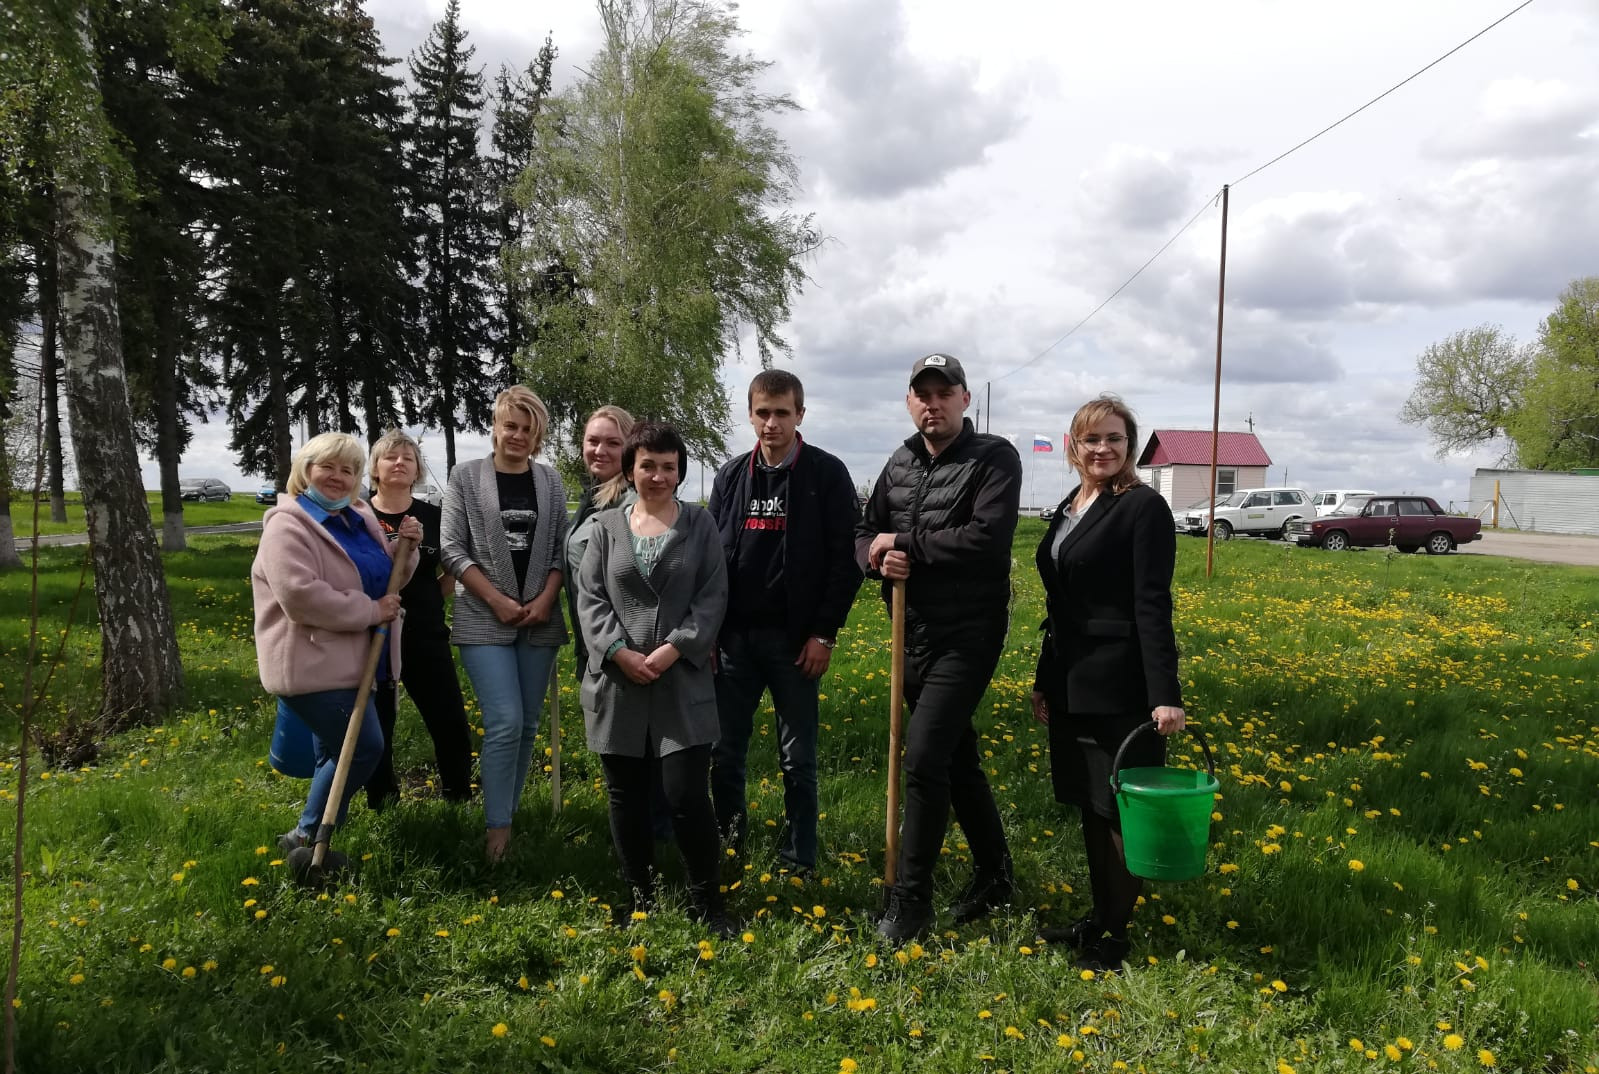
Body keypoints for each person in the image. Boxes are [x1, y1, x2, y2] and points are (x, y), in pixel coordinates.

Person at [857, 352, 1021, 942]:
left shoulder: (994, 458)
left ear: (965, 399)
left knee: (924, 758)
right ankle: (996, 872)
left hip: (968, 634)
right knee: (956, 757)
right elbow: (863, 531)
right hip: (911, 632)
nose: (933, 403)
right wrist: (875, 557)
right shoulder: (899, 462)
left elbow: (986, 538)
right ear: (909, 402)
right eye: (922, 394)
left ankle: (910, 902)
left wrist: (903, 542)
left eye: (944, 392)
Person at [1030, 394, 1186, 972]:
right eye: (1092, 439)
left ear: (1129, 447)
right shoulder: (1071, 505)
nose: (1103, 449)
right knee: (1090, 807)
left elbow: (1152, 603)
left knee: (1119, 812)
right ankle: (1098, 918)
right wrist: (1044, 680)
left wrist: (1164, 693)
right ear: (1074, 446)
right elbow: (1060, 603)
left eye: (1114, 439)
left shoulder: (1143, 508)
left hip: (1122, 687)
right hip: (1070, 681)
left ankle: (1114, 938)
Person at [574, 422, 734, 936]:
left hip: (680, 678)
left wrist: (672, 650)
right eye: (648, 465)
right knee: (626, 795)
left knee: (686, 794)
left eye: (668, 466)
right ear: (630, 470)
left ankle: (706, 901)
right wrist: (619, 652)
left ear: (680, 471)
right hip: (618, 682)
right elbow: (590, 597)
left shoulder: (699, 524)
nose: (658, 476)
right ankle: (638, 898)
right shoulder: (605, 526)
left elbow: (713, 597)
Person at [708, 370, 862, 875]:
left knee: (798, 760)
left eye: (782, 413)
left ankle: (799, 859)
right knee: (723, 752)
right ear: (750, 414)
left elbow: (846, 562)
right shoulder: (731, 476)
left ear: (800, 414)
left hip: (796, 643)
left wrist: (824, 632)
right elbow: (711, 561)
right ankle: (729, 847)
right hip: (733, 641)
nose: (771, 423)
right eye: (762, 413)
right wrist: (709, 632)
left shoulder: (826, 474)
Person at [252, 432, 421, 854]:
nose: (337, 477)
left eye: (348, 470)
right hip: (311, 664)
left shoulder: (358, 518)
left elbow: (387, 581)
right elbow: (300, 596)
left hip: (353, 663)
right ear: (305, 471)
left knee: (337, 753)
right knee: (365, 748)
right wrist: (369, 611)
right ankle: (310, 836)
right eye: (327, 466)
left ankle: (308, 842)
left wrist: (407, 549)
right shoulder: (288, 526)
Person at [440, 386, 569, 863]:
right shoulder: (466, 477)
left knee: (528, 723)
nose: (517, 435)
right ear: (495, 426)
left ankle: (508, 813)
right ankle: (496, 835)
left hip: (539, 616)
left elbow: (559, 548)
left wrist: (545, 598)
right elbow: (453, 549)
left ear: (538, 435)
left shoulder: (550, 481)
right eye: (510, 425)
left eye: (528, 428)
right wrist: (496, 600)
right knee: (505, 720)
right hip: (482, 616)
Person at [364, 429, 474, 807]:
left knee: (449, 720)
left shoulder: (435, 517)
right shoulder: (359, 515)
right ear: (375, 469)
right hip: (370, 634)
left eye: (407, 459)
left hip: (425, 632)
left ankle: (458, 795)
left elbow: (455, 568)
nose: (399, 463)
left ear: (417, 471)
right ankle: (382, 800)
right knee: (377, 724)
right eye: (390, 457)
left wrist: (429, 594)